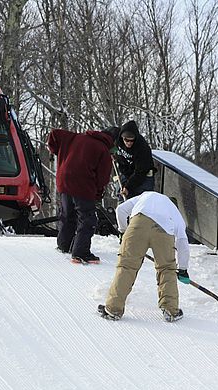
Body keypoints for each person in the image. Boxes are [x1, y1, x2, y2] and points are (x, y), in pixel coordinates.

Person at [98, 191, 190, 322]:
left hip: (138, 224)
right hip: (164, 230)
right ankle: (171, 310)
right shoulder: (175, 213)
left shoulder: (145, 195)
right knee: (166, 269)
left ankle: (113, 309)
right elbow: (182, 242)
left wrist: (123, 232)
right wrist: (183, 269)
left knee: (127, 267)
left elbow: (121, 210)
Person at [47, 126, 116, 264]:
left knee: (67, 215)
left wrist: (55, 151)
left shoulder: (77, 137)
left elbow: (54, 134)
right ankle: (80, 253)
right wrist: (97, 194)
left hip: (64, 181)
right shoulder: (103, 149)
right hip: (83, 185)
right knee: (87, 219)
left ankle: (64, 245)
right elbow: (102, 178)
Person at [114, 120, 156, 199]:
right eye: (126, 140)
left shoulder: (142, 148)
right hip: (127, 172)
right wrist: (112, 153)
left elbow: (141, 171)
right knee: (121, 196)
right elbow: (109, 139)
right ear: (122, 137)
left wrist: (128, 187)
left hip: (143, 176)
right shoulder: (117, 139)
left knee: (141, 200)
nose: (129, 143)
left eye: (132, 140)